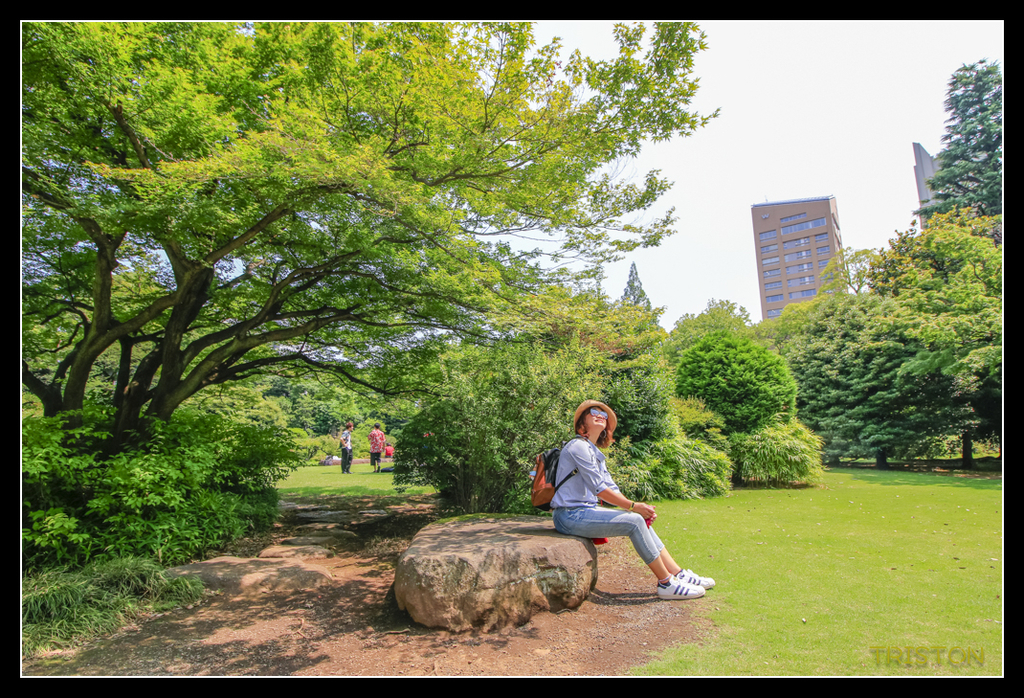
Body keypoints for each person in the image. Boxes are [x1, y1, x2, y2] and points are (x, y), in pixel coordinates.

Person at [550, 400, 716, 600]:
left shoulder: (594, 452)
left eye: (604, 415)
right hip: (569, 515)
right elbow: (599, 489)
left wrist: (637, 509)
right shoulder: (577, 446)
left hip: (584, 512)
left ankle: (677, 573)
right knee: (635, 521)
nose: (600, 415)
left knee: (639, 520)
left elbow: (611, 487)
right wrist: (634, 507)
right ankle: (666, 583)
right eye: (594, 411)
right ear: (581, 423)